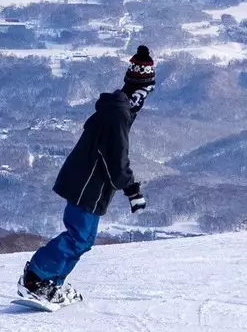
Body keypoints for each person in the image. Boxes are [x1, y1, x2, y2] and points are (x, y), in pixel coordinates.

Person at [19, 45, 155, 307]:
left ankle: (51, 284)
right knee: (78, 236)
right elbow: (117, 159)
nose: (145, 97)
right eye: (145, 91)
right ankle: (35, 277)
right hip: (87, 183)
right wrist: (132, 190)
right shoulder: (119, 113)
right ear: (137, 88)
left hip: (89, 182)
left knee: (83, 239)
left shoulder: (118, 109)